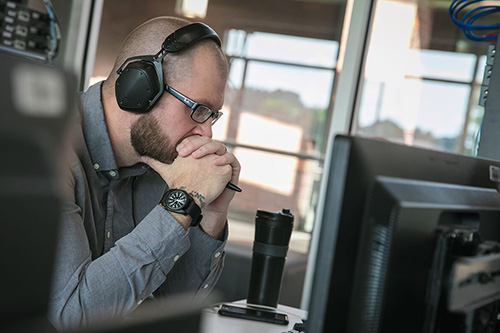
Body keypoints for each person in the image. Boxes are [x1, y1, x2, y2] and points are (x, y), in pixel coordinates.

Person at [48, 16, 240, 330]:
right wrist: (182, 200)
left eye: (212, 116)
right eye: (197, 109)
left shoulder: (162, 163)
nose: (206, 133)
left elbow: (168, 308)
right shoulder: (50, 154)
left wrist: (210, 216)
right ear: (139, 87)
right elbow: (73, 316)